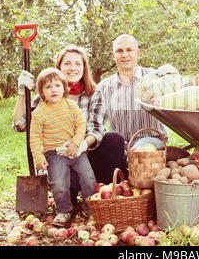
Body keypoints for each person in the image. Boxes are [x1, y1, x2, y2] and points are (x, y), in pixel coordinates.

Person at [13, 44, 126, 213]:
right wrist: (22, 93)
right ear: (59, 68)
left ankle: (109, 194)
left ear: (84, 68)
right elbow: (19, 125)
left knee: (114, 139)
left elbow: (97, 129)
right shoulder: (47, 97)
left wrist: (81, 146)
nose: (73, 68)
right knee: (66, 182)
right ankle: (69, 202)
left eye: (78, 64)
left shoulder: (94, 93)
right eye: (67, 63)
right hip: (61, 158)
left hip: (87, 156)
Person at [30, 67, 96, 226]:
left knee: (88, 178)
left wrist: (76, 143)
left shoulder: (71, 105)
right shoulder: (39, 113)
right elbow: (34, 137)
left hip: (75, 150)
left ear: (64, 88)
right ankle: (64, 210)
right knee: (59, 183)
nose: (53, 90)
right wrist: (39, 158)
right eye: (48, 87)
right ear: (42, 92)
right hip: (54, 154)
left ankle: (90, 209)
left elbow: (81, 125)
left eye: (57, 86)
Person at [90, 34, 168, 151]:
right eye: (119, 51)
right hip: (120, 144)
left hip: (152, 139)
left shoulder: (155, 78)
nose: (124, 55)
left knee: (137, 152)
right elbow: (97, 123)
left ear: (138, 53)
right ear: (113, 55)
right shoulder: (103, 87)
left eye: (129, 50)